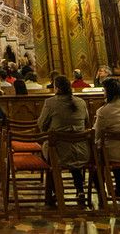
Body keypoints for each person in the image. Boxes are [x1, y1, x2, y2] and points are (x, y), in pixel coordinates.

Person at [39, 75, 91, 205]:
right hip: (82, 151)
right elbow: (87, 123)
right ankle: (79, 189)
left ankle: (56, 190)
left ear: (56, 88)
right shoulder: (81, 102)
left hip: (56, 152)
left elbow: (42, 125)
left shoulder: (50, 103)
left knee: (60, 147)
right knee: (72, 151)